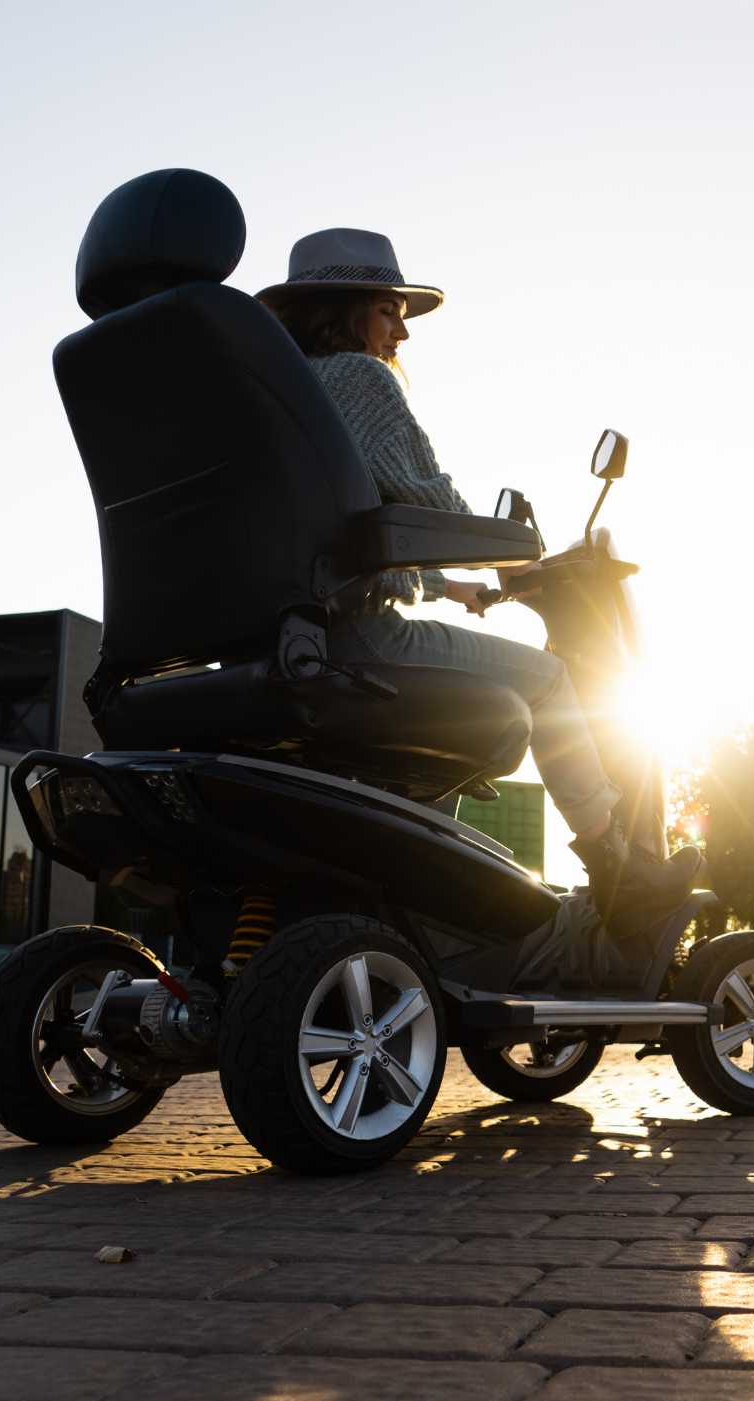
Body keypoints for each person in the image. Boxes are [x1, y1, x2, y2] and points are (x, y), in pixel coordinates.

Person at [260, 227, 699, 927]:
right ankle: (620, 861)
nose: (402, 330)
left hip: (289, 636)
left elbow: (341, 539)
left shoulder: (279, 399)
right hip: (360, 640)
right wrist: (512, 553)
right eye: (388, 309)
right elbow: (426, 497)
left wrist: (449, 588)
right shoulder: (357, 379)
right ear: (342, 310)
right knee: (550, 680)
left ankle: (441, 913)